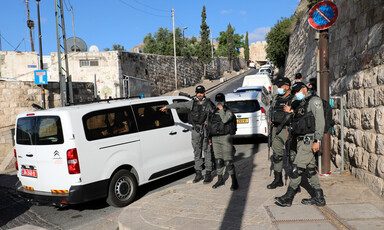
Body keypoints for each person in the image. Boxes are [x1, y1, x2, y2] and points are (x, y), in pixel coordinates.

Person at [275, 82, 326, 207]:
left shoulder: (314, 101)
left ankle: (288, 197)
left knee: (296, 169)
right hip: (300, 139)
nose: (296, 94)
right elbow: (300, 119)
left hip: (309, 140)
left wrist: (317, 140)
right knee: (310, 170)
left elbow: (320, 121)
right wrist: (292, 111)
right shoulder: (302, 103)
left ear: (304, 89)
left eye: (298, 91)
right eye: (295, 92)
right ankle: (319, 197)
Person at [160, 85, 216, 183]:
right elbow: (179, 105)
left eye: (201, 93)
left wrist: (210, 125)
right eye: (197, 93)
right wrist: (167, 107)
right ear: (196, 93)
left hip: (206, 131)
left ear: (204, 93)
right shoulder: (192, 104)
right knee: (197, 152)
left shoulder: (209, 104)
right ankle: (198, 173)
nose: (199, 95)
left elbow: (216, 117)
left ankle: (208, 173)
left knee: (207, 152)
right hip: (195, 131)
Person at [267, 77, 294, 189]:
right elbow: (270, 110)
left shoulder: (293, 99)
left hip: (288, 129)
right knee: (277, 155)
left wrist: (292, 111)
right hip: (276, 129)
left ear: (287, 87)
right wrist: (270, 119)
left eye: (280, 86)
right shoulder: (275, 98)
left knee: (292, 156)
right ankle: (277, 179)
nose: (278, 89)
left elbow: (300, 113)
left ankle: (295, 182)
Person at [209, 93, 239, 191]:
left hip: (225, 138)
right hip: (215, 138)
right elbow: (209, 125)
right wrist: (209, 138)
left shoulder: (228, 111)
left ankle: (234, 182)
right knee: (218, 161)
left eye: (220, 100)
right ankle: (220, 179)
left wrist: (221, 109)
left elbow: (225, 120)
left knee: (228, 162)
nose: (218, 102)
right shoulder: (213, 111)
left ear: (224, 101)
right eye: (217, 101)